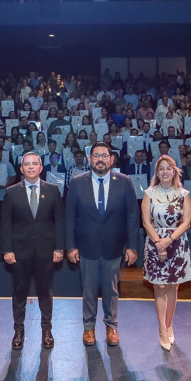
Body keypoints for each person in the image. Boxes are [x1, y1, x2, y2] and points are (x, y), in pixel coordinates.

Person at [65, 142, 140, 347]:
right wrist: (71, 246)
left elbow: (132, 217)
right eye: (96, 155)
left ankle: (111, 326)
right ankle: (89, 328)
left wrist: (132, 247)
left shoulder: (124, 182)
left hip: (113, 247)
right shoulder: (77, 182)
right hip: (86, 247)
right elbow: (69, 218)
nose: (100, 159)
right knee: (88, 290)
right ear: (89, 159)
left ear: (111, 159)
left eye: (104, 155)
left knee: (111, 290)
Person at [0, 153, 63, 349]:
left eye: (34, 163)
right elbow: (5, 224)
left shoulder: (53, 190)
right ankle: (18, 331)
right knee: (19, 292)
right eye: (26, 164)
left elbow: (59, 222)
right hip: (19, 252)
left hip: (46, 251)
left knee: (45, 291)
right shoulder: (11, 192)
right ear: (21, 169)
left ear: (41, 168)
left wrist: (59, 247)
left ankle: (47, 330)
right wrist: (7, 250)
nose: (30, 167)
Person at [140, 154, 191, 351]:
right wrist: (159, 244)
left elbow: (187, 223)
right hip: (155, 243)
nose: (164, 172)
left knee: (172, 287)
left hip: (177, 243)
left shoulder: (183, 194)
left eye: (168, 168)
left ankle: (169, 324)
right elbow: (146, 222)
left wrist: (169, 241)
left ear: (174, 171)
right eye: (161, 168)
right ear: (156, 172)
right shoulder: (149, 193)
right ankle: (162, 328)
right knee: (160, 287)